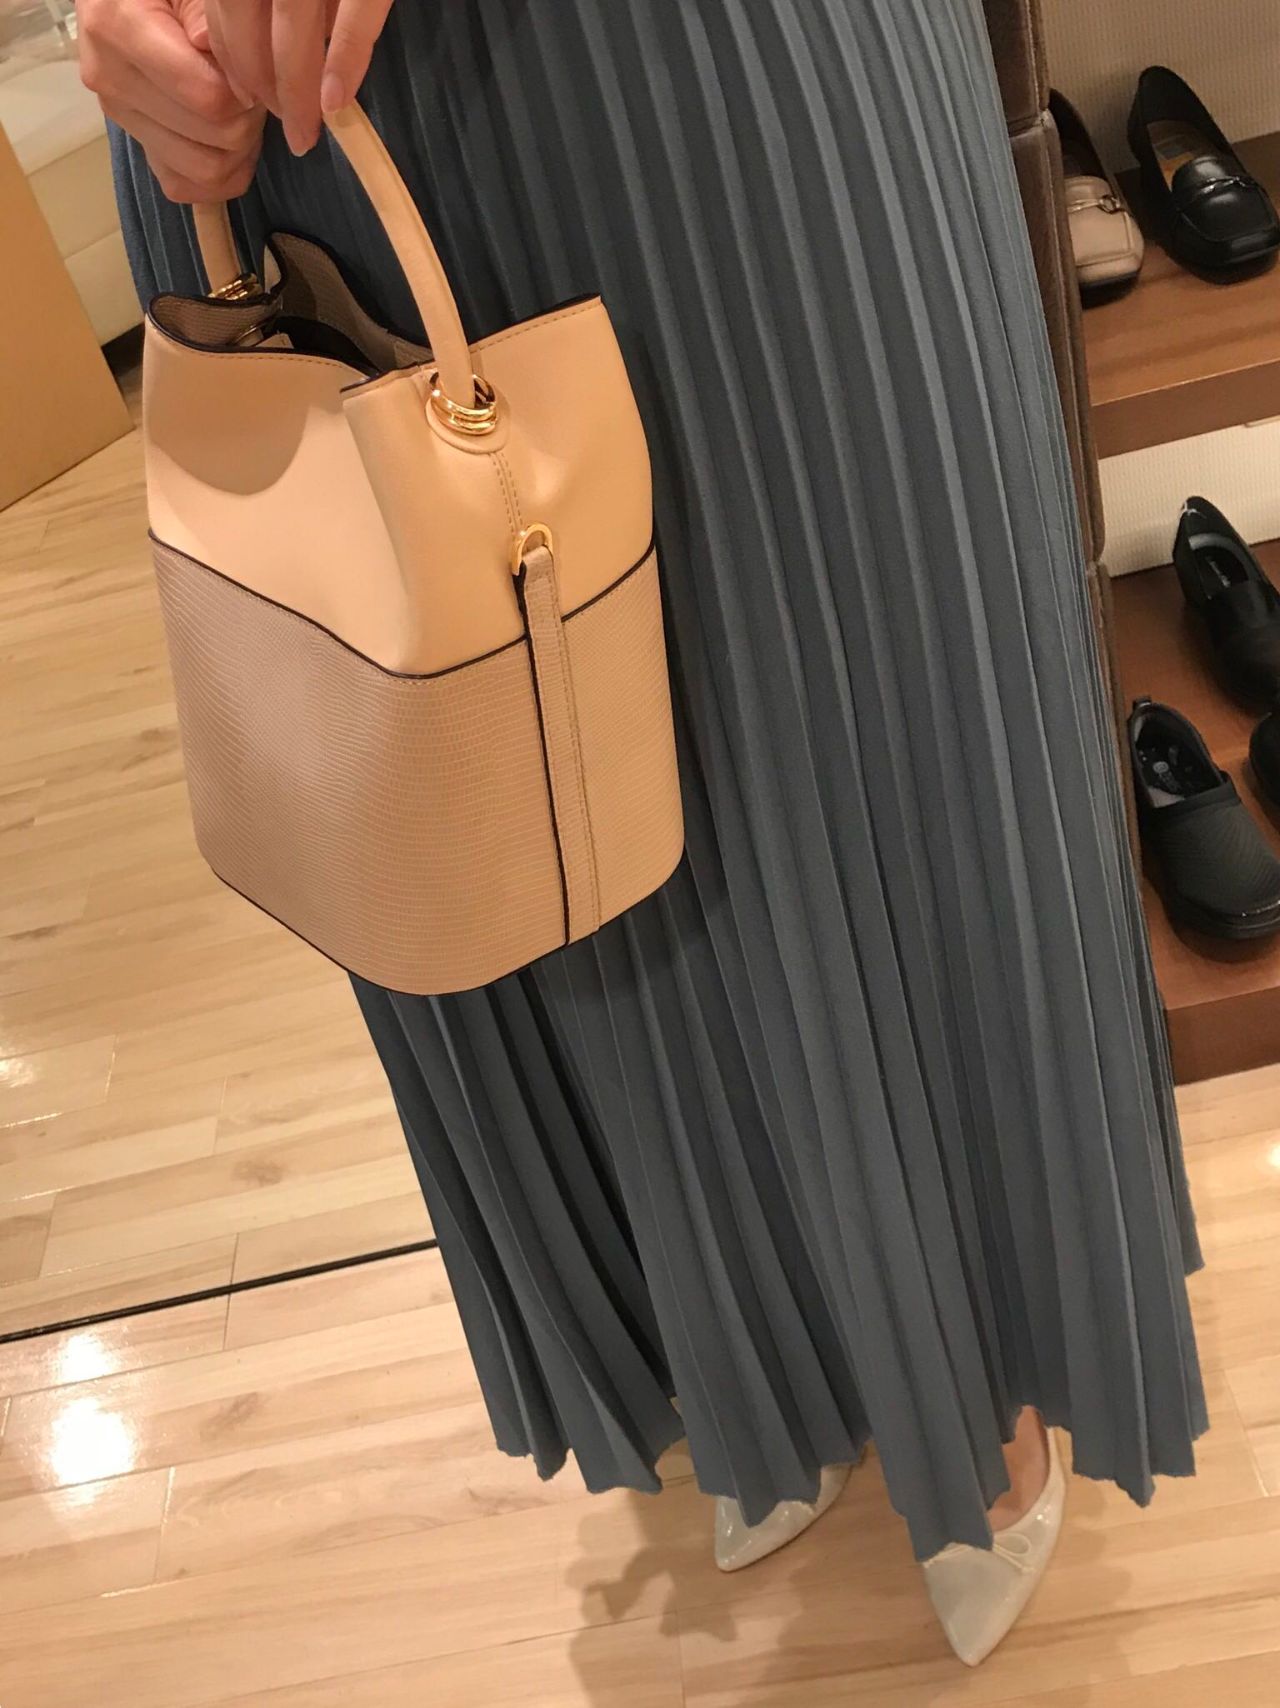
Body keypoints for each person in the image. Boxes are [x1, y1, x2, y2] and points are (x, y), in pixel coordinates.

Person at [88, 0, 1205, 1665]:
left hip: (708, 56)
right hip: (282, 122)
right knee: (492, 802)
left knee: (852, 724)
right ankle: (739, 1346)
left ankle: (973, 1348)